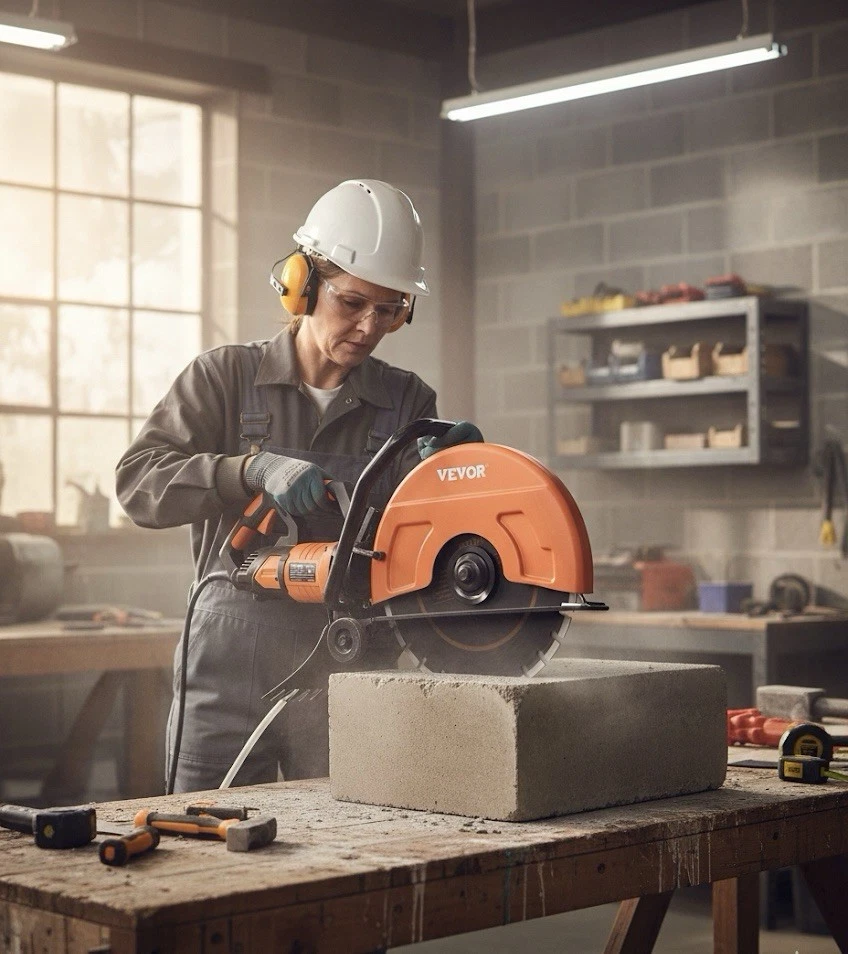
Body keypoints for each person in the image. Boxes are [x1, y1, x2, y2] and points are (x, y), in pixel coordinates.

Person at [116, 178, 482, 793]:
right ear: (302, 284)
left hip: (351, 668)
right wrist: (246, 471)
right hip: (227, 677)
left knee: (349, 840)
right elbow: (138, 483)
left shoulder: (408, 402)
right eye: (353, 302)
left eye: (390, 310)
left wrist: (458, 478)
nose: (368, 326)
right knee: (204, 837)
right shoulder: (224, 378)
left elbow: (426, 545)